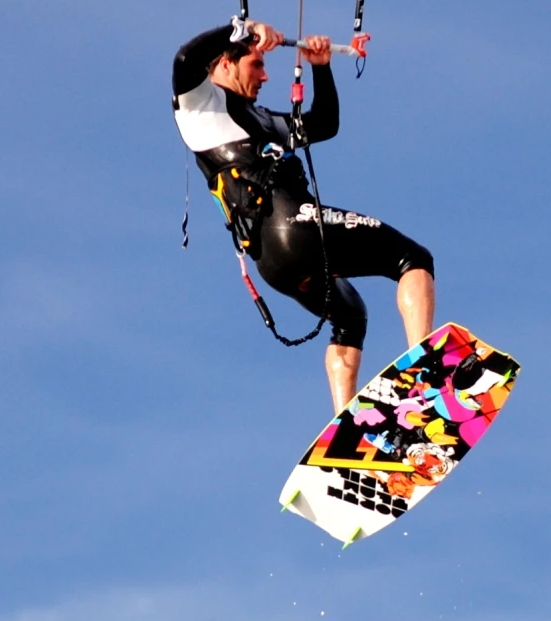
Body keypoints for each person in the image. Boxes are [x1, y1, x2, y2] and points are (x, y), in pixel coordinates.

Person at [173, 20, 436, 411]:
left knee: (350, 316)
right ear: (225, 64)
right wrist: (241, 27)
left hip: (273, 263)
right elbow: (185, 59)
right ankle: (424, 371)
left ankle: (342, 426)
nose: (265, 74)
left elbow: (324, 124)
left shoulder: (262, 119)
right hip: (293, 228)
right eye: (256, 64)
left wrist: (321, 67)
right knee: (414, 259)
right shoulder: (201, 107)